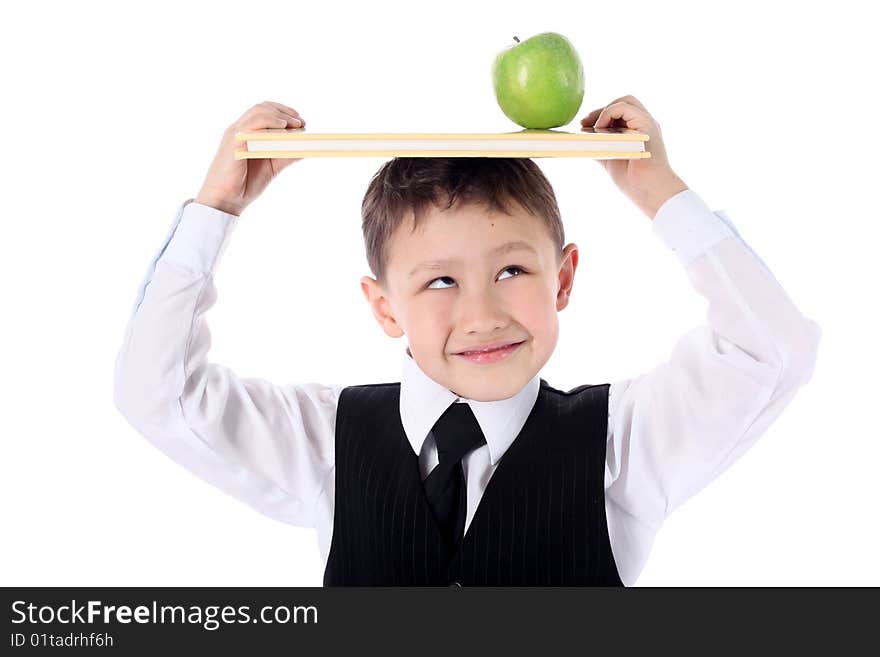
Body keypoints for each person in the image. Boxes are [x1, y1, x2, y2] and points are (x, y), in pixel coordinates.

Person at [113, 97, 821, 586]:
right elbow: (156, 393)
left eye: (512, 269)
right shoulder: (328, 437)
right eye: (440, 282)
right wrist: (215, 209)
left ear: (563, 278)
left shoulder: (623, 444)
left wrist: (659, 190)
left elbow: (773, 349)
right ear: (384, 307)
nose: (483, 314)